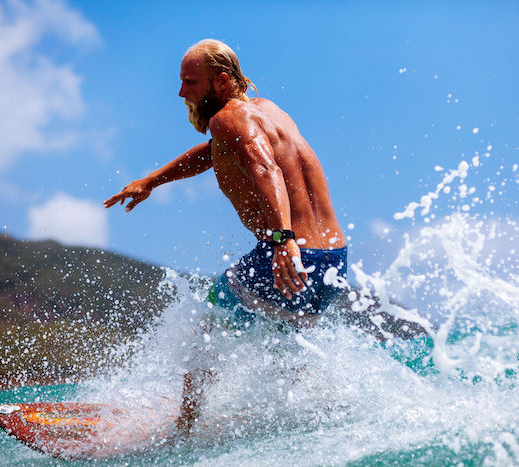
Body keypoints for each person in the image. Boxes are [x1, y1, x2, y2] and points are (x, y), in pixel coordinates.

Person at [104, 39, 347, 431]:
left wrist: (283, 241)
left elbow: (263, 167)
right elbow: (216, 152)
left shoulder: (227, 120)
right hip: (332, 261)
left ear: (220, 81)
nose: (182, 92)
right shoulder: (269, 113)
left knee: (206, 321)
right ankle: (303, 414)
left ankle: (183, 429)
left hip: (288, 253)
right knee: (289, 334)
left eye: (190, 82)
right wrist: (151, 180)